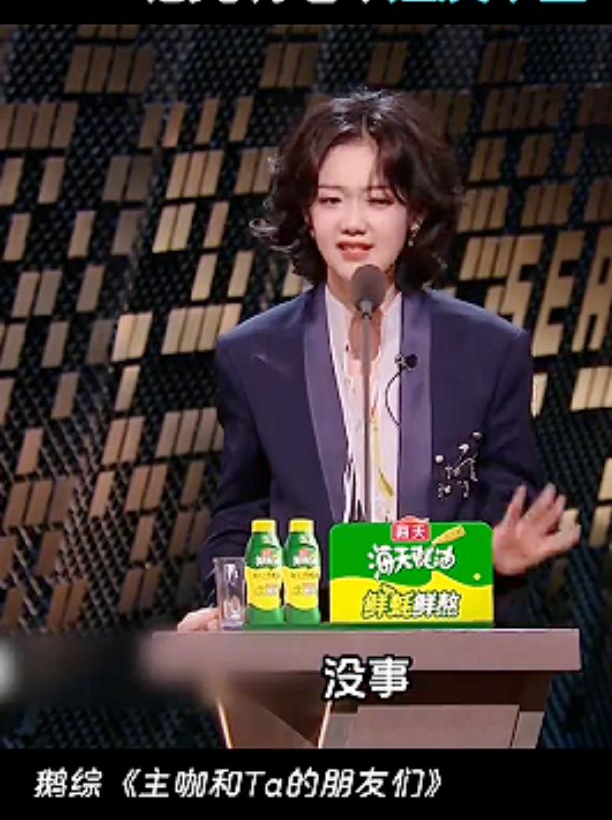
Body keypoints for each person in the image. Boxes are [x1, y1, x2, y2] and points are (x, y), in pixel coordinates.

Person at [178, 88, 580, 632]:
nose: (353, 222)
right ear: (307, 213)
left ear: (415, 214)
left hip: (446, 636)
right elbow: (241, 513)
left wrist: (491, 554)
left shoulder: (488, 351)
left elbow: (508, 506)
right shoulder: (254, 355)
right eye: (331, 200)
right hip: (306, 641)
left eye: (379, 200)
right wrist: (230, 605)